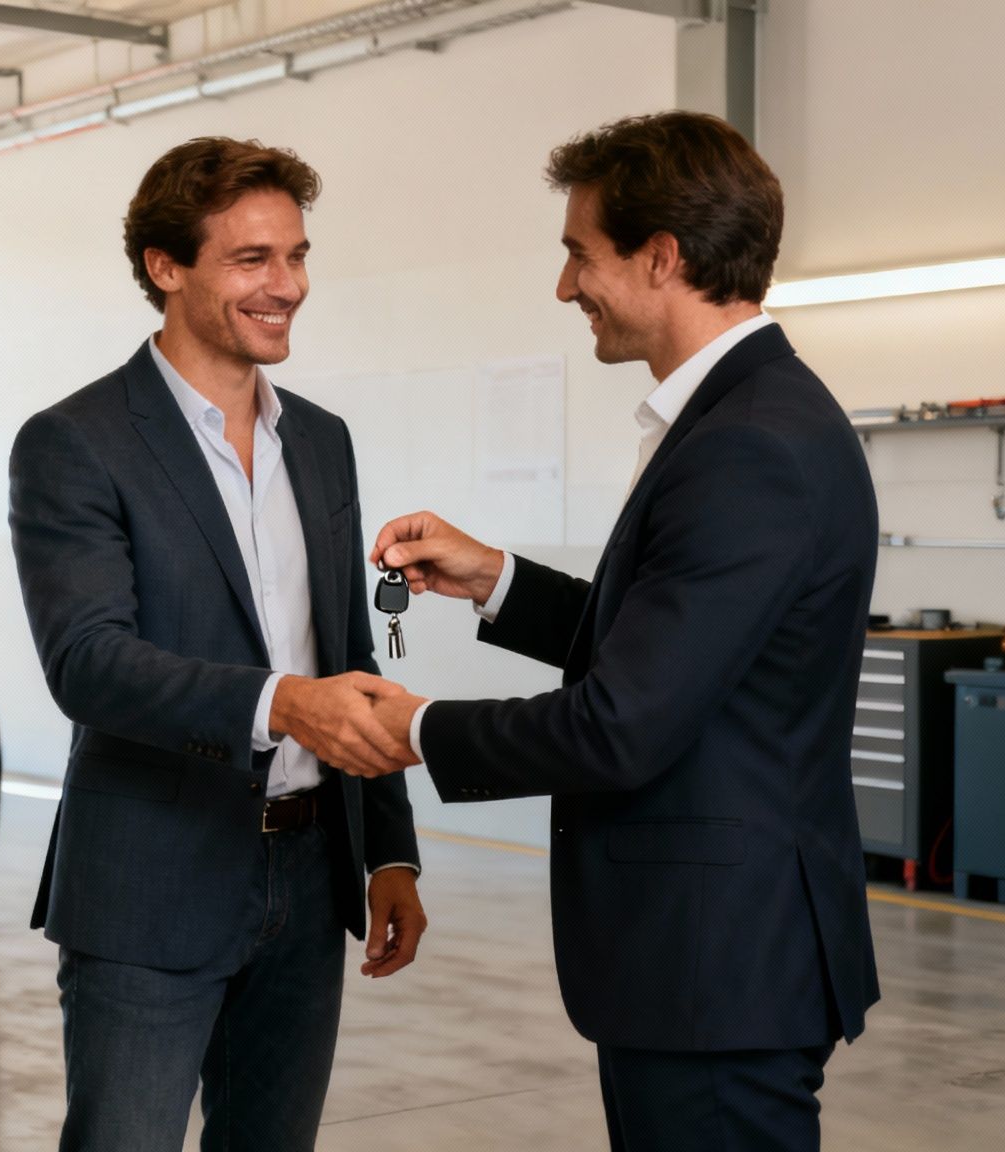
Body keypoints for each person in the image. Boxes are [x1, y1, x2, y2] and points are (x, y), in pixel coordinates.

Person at [351, 111, 880, 1151]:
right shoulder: (742, 417)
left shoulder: (747, 448)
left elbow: (620, 726)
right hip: (713, 961)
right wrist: (496, 579)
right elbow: (674, 652)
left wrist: (409, 727)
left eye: (576, 255)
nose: (563, 289)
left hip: (713, 967)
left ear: (660, 257)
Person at [8, 136, 427, 1152]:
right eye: (251, 260)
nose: (285, 285)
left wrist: (388, 853)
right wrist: (280, 704)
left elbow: (349, 659)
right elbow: (88, 663)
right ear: (166, 267)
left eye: (294, 255)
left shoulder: (318, 440)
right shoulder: (75, 442)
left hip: (307, 867)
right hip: (151, 876)